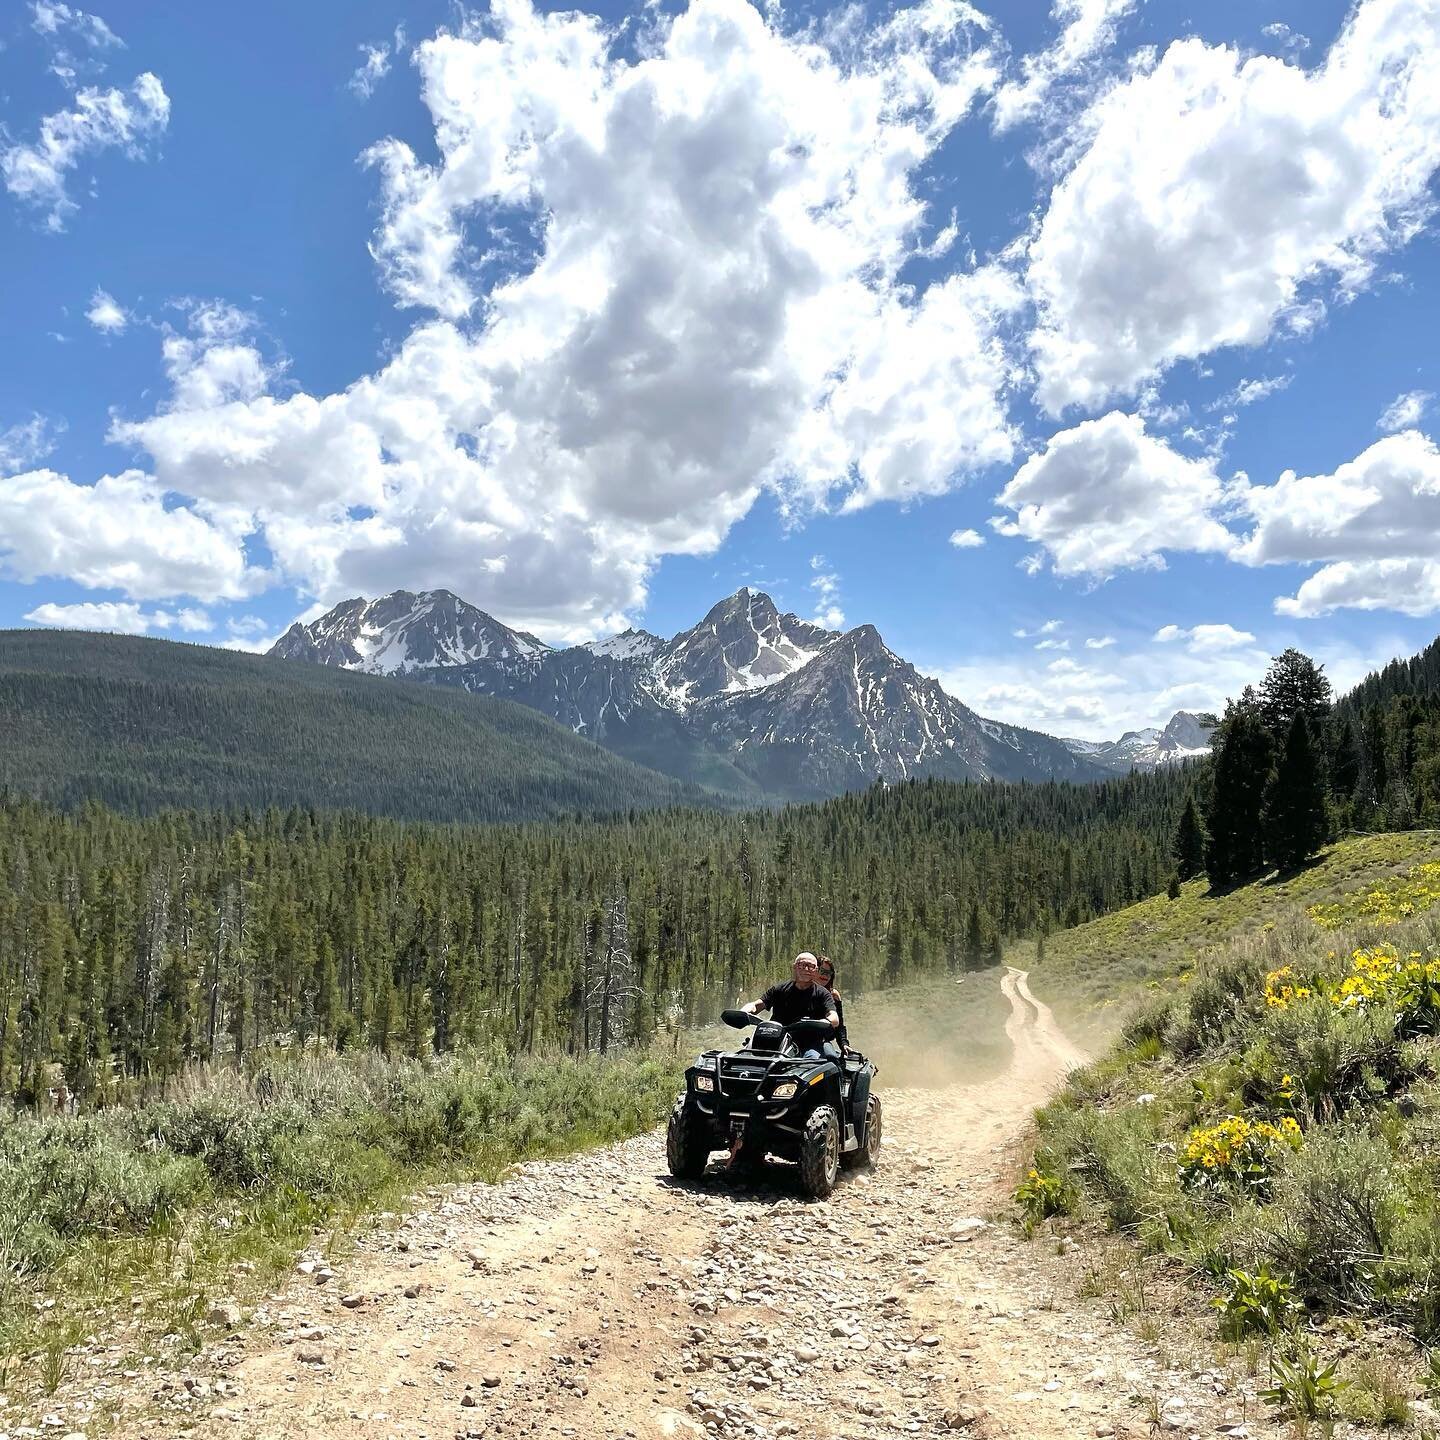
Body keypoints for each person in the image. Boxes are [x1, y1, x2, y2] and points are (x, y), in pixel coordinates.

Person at [744, 952, 839, 1058]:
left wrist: (825, 1021)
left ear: (816, 970)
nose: (806, 969)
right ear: (794, 967)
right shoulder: (779, 989)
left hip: (808, 1044)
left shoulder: (823, 993)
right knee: (744, 1057)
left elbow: (834, 1017)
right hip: (775, 1039)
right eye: (802, 965)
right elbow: (756, 1005)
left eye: (811, 966)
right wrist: (744, 1011)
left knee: (812, 1060)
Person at [816, 955, 848, 1050]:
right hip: (796, 1038)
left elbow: (839, 1025)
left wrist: (844, 1043)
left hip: (822, 1041)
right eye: (822, 971)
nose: (825, 976)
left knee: (831, 1059)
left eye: (829, 973)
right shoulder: (802, 990)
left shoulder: (833, 995)